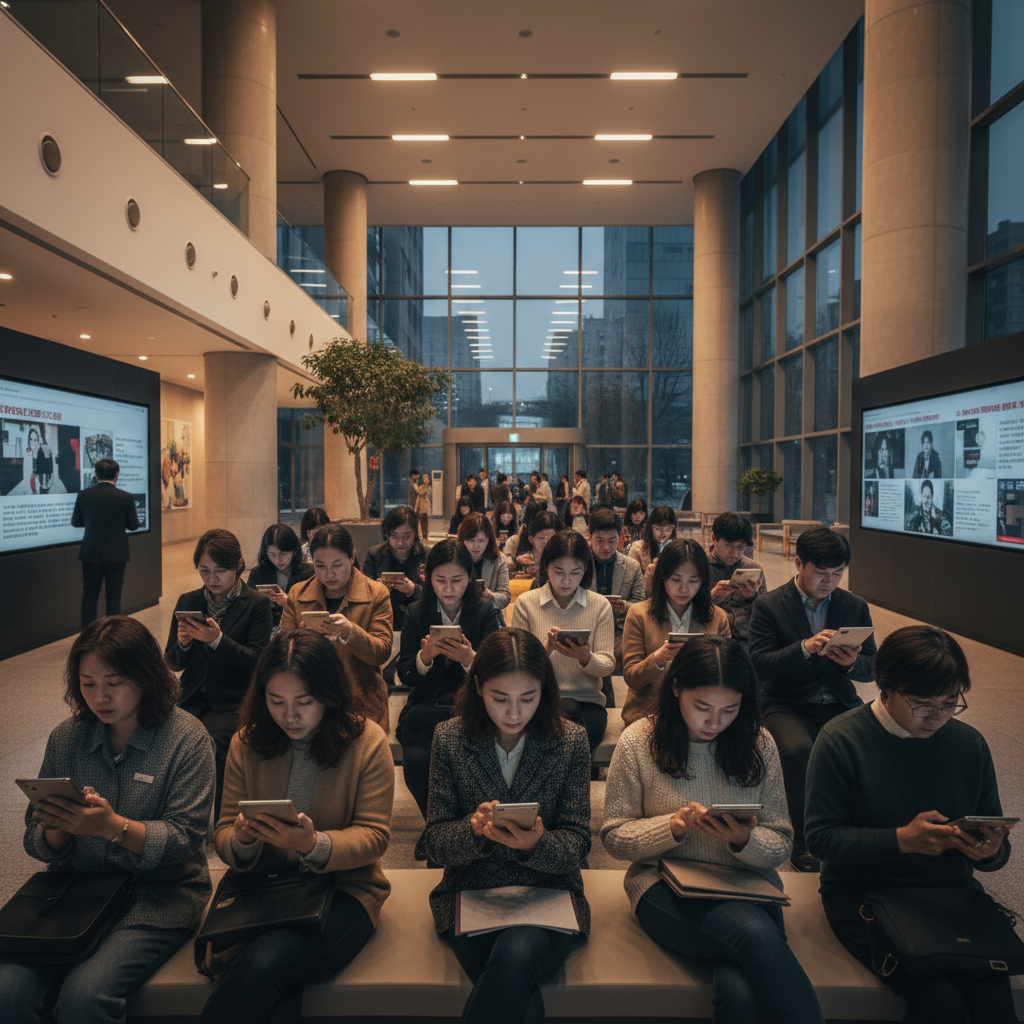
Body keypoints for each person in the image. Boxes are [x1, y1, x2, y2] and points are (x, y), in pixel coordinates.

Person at [1, 616, 215, 1024]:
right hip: (74, 892)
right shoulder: (69, 737)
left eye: (113, 683)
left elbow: (186, 839)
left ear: (146, 677)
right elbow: (35, 838)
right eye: (88, 683)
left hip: (157, 896)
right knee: (8, 992)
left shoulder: (186, 739)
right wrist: (59, 827)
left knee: (85, 996)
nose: (100, 697)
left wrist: (112, 827)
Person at [601, 636, 824, 1024]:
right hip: (664, 887)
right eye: (702, 707)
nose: (714, 722)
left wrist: (742, 839)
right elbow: (614, 836)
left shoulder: (759, 742)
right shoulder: (639, 741)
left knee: (739, 993)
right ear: (675, 689)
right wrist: (671, 828)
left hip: (748, 886)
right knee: (754, 936)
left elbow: (781, 842)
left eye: (730, 709)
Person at [805, 625, 1015, 1024]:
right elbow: (821, 840)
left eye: (950, 703)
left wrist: (989, 852)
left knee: (993, 1000)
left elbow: (995, 841)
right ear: (885, 687)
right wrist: (901, 840)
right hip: (864, 895)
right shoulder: (841, 740)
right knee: (939, 1001)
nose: (936, 717)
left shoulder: (968, 744)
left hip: (948, 895)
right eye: (922, 704)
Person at [197, 630, 394, 1024]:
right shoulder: (247, 742)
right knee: (275, 979)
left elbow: (374, 836)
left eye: (305, 702)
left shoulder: (366, 741)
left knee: (265, 962)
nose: (290, 716)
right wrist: (242, 839)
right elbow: (222, 834)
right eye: (276, 701)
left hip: (344, 890)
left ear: (330, 693)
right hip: (264, 887)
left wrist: (314, 844)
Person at [423, 628, 591, 1024]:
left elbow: (579, 841)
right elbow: (433, 842)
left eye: (527, 698)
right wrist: (473, 831)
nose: (513, 713)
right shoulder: (449, 739)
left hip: (549, 892)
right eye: (500, 698)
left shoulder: (570, 741)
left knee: (513, 959)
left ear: (544, 691)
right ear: (478, 687)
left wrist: (537, 844)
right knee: (516, 986)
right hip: (472, 893)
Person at [747, 525, 876, 872]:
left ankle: (860, 831)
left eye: (837, 573)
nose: (829, 581)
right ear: (798, 563)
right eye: (820, 571)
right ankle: (805, 838)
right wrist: (804, 648)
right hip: (787, 702)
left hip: (839, 701)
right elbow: (760, 665)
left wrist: (851, 665)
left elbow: (872, 666)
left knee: (869, 744)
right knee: (798, 749)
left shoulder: (854, 605)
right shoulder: (770, 606)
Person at [396, 539, 504, 818]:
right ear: (428, 578)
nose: (448, 588)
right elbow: (405, 673)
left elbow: (498, 674)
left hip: (472, 709)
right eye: (440, 579)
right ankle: (434, 823)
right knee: (417, 760)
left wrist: (470, 659)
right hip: (427, 705)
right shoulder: (416, 612)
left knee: (473, 756)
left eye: (456, 580)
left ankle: (463, 822)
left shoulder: (484, 612)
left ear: (470, 578)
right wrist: (425, 658)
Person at [166, 529, 273, 809]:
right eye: (204, 571)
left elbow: (258, 662)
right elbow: (172, 662)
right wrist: (184, 644)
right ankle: (176, 812)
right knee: (165, 740)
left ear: (238, 565)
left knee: (213, 744)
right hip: (191, 697)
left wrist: (218, 642)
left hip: (235, 699)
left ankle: (220, 818)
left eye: (220, 571)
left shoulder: (257, 604)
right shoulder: (188, 602)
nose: (212, 579)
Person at [281, 524, 393, 733]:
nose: (329, 574)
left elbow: (381, 652)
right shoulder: (298, 594)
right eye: (320, 566)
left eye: (337, 565)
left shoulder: (376, 593)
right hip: (310, 700)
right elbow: (281, 652)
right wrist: (303, 641)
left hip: (362, 701)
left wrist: (351, 632)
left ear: (352, 557)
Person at [512, 530, 614, 753]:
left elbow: (607, 665)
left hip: (588, 704)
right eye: (559, 572)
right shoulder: (526, 603)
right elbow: (516, 665)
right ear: (546, 566)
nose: (566, 581)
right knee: (565, 730)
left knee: (567, 728)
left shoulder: (599, 605)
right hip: (539, 700)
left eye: (575, 573)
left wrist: (586, 658)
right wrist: (544, 651)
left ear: (585, 570)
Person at [621, 539, 731, 725]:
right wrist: (659, 658)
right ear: (662, 577)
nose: (684, 589)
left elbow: (727, 674)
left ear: (703, 581)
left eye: (693, 581)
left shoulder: (717, 617)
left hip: (701, 712)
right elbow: (632, 678)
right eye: (676, 580)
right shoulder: (639, 614)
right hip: (649, 712)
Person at [70, 457, 141, 629]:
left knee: (89, 595)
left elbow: (76, 522)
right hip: (116, 554)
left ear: (96, 474)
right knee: (114, 597)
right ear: (116, 475)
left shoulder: (84, 495)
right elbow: (133, 525)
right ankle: (112, 637)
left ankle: (87, 636)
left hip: (90, 552)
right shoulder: (125, 497)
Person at [586, 506, 646, 705]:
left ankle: (620, 703)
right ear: (589, 534)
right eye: (600, 540)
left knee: (624, 650)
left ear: (620, 537)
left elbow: (640, 604)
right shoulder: (579, 563)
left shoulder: (631, 566)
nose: (606, 547)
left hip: (619, 630)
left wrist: (624, 606)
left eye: (612, 540)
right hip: (586, 628)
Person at [362, 505, 427, 640]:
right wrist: (380, 589)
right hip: (383, 624)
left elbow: (437, 597)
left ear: (415, 534)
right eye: (394, 536)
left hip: (419, 625)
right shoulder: (374, 554)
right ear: (387, 535)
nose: (400, 542)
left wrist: (413, 590)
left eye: (406, 536)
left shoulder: (427, 555)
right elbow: (364, 593)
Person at [706, 512, 766, 645]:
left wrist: (752, 597)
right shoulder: (699, 566)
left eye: (741, 547)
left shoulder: (753, 568)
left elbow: (766, 615)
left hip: (745, 642)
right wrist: (710, 600)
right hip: (709, 640)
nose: (735, 553)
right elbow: (684, 611)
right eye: (729, 546)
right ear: (714, 538)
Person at [246, 523, 314, 631]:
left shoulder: (308, 573)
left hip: (297, 630)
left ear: (294, 551)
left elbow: (314, 613)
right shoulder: (258, 573)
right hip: (264, 630)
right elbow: (247, 608)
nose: (278, 560)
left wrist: (289, 603)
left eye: (283, 554)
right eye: (272, 555)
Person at [458, 512, 513, 611]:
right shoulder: (454, 558)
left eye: (481, 541)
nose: (476, 546)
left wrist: (491, 596)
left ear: (488, 540)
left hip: (488, 616)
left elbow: (505, 597)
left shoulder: (498, 560)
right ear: (462, 540)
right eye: (471, 540)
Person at [629, 504, 678, 593]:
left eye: (667, 529)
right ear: (651, 527)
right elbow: (630, 584)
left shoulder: (676, 548)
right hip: (643, 598)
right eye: (658, 528)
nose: (662, 533)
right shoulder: (638, 548)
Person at [506, 509, 559, 578]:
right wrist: (515, 561)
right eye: (541, 538)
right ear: (531, 539)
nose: (546, 542)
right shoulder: (524, 559)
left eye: (551, 538)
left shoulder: (561, 558)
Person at [414, 471, 432, 539]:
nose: (426, 479)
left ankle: (425, 535)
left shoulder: (428, 487)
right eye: (424, 478)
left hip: (425, 507)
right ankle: (421, 534)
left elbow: (423, 492)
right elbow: (420, 492)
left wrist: (417, 487)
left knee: (425, 520)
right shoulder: (421, 486)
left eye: (427, 478)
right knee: (421, 520)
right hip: (420, 506)